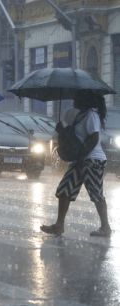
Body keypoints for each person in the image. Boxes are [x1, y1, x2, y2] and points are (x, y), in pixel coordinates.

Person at [41, 91, 111, 237]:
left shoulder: (92, 115)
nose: (74, 99)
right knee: (65, 190)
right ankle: (59, 225)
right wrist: (62, 130)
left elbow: (94, 138)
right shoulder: (81, 115)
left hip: (92, 160)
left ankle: (105, 227)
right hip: (80, 160)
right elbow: (75, 138)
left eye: (77, 97)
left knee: (96, 193)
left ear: (84, 100)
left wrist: (81, 158)